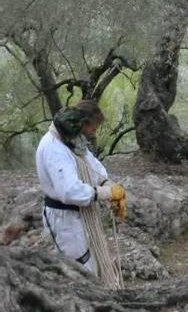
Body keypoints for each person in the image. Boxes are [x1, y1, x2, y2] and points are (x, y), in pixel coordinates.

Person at [36, 100, 127, 284]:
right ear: (82, 124)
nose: (94, 132)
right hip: (65, 221)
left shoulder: (73, 141)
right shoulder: (55, 148)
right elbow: (69, 191)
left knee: (89, 264)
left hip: (77, 217)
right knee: (78, 270)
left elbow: (91, 165)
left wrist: (108, 183)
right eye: (93, 128)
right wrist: (105, 193)